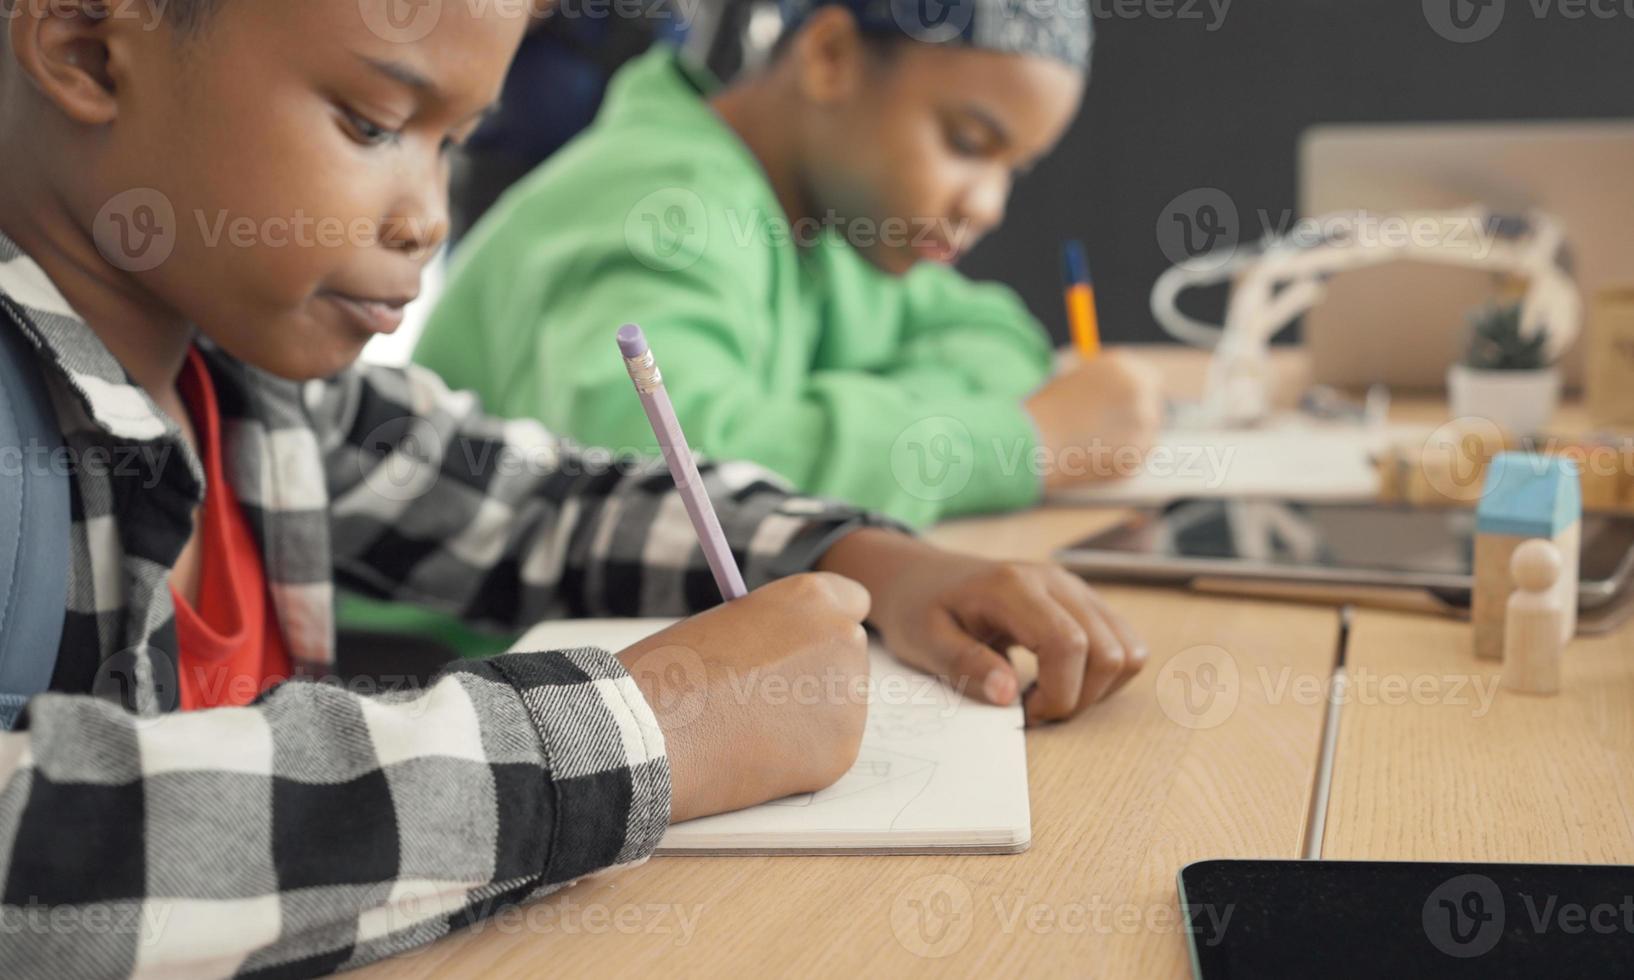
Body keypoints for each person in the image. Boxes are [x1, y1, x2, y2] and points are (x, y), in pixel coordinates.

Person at [0, 1, 1144, 974]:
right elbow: (28, 847)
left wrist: (859, 554)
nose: (428, 217)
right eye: (372, 122)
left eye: (451, 141)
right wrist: (646, 730)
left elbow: (531, 503)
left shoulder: (245, 375)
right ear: (92, 46)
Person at [413, 0, 1163, 532]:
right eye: (967, 143)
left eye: (1015, 169)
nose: (990, 204)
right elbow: (663, 485)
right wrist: (1017, 443)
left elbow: (998, 340)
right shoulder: (669, 208)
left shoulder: (836, 224)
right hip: (454, 662)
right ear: (830, 56)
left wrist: (810, 427)